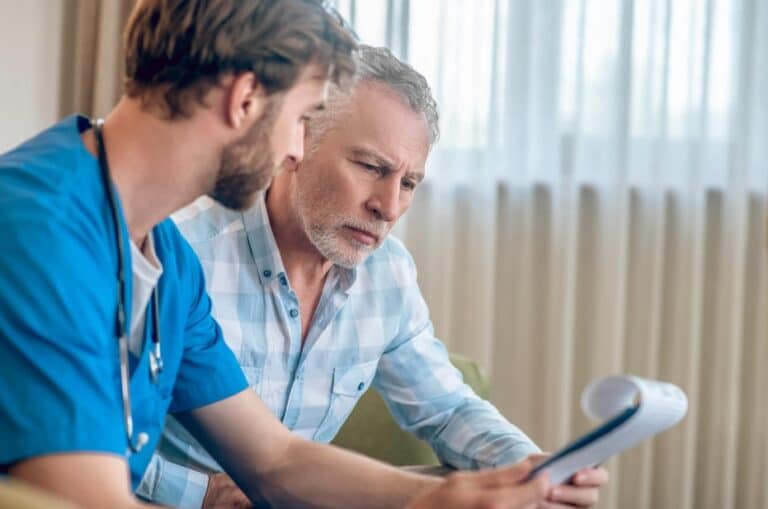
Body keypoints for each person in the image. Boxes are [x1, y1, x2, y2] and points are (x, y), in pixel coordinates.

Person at [0, 1, 557, 508]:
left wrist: (436, 497)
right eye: (300, 117)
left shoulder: (166, 259)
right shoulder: (38, 231)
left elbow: (273, 459)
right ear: (245, 101)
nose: (296, 147)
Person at [142, 45, 607, 509]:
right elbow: (95, 437)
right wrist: (202, 493)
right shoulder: (180, 250)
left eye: (407, 184)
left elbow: (447, 411)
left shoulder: (387, 274)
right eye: (371, 167)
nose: (387, 207)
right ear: (296, 142)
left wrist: (532, 473)